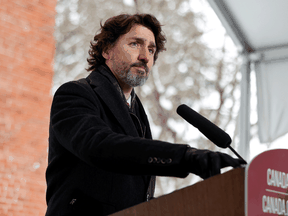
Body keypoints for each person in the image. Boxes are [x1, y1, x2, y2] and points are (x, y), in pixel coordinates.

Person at [45, 13, 245, 216]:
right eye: (135, 44)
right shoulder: (75, 94)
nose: (145, 56)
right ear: (107, 50)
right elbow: (99, 145)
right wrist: (184, 157)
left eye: (151, 49)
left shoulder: (138, 112)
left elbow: (130, 194)